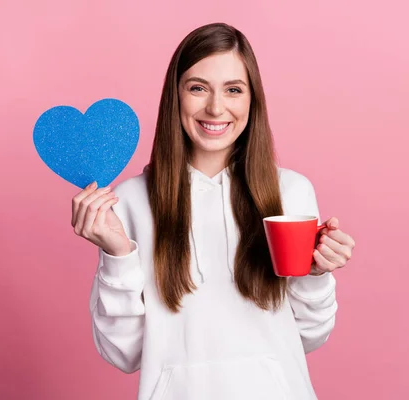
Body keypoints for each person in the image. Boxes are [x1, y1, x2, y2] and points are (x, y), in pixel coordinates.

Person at [71, 22, 356, 400]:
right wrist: (118, 255)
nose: (216, 107)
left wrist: (315, 274)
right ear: (175, 96)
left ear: (252, 100)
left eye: (233, 90)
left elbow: (309, 335)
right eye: (198, 88)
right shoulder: (130, 201)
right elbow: (124, 353)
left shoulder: (291, 192)